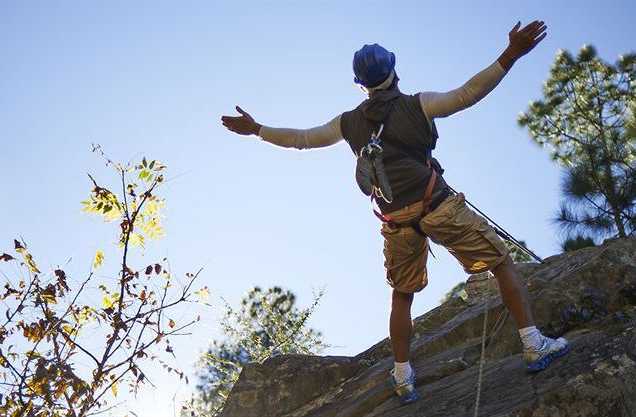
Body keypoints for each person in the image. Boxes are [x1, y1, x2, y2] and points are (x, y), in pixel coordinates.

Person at [221, 20, 568, 405]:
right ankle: (534, 344)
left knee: (402, 296)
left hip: (395, 223)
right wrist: (510, 55)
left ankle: (403, 377)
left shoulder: (348, 122)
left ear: (362, 85)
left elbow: (302, 140)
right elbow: (469, 94)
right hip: (436, 205)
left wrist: (257, 130)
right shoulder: (417, 104)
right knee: (501, 263)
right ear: (395, 72)